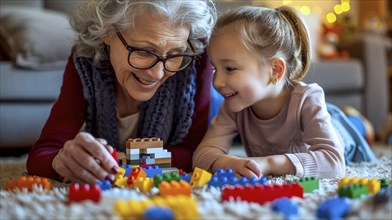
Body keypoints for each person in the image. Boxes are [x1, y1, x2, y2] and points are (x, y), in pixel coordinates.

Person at [27, 0, 217, 184]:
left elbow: (195, 150)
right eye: (144, 51)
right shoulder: (85, 62)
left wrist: (123, 160)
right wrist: (61, 161)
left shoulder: (196, 61)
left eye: (176, 54)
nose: (158, 73)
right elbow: (42, 153)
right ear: (107, 32)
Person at [193, 6, 346, 179]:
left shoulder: (307, 99)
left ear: (275, 70)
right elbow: (202, 155)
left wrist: (268, 163)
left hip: (342, 131)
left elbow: (334, 163)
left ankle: (358, 121)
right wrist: (230, 163)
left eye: (229, 68)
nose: (217, 82)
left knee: (349, 126)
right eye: (215, 69)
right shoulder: (235, 104)